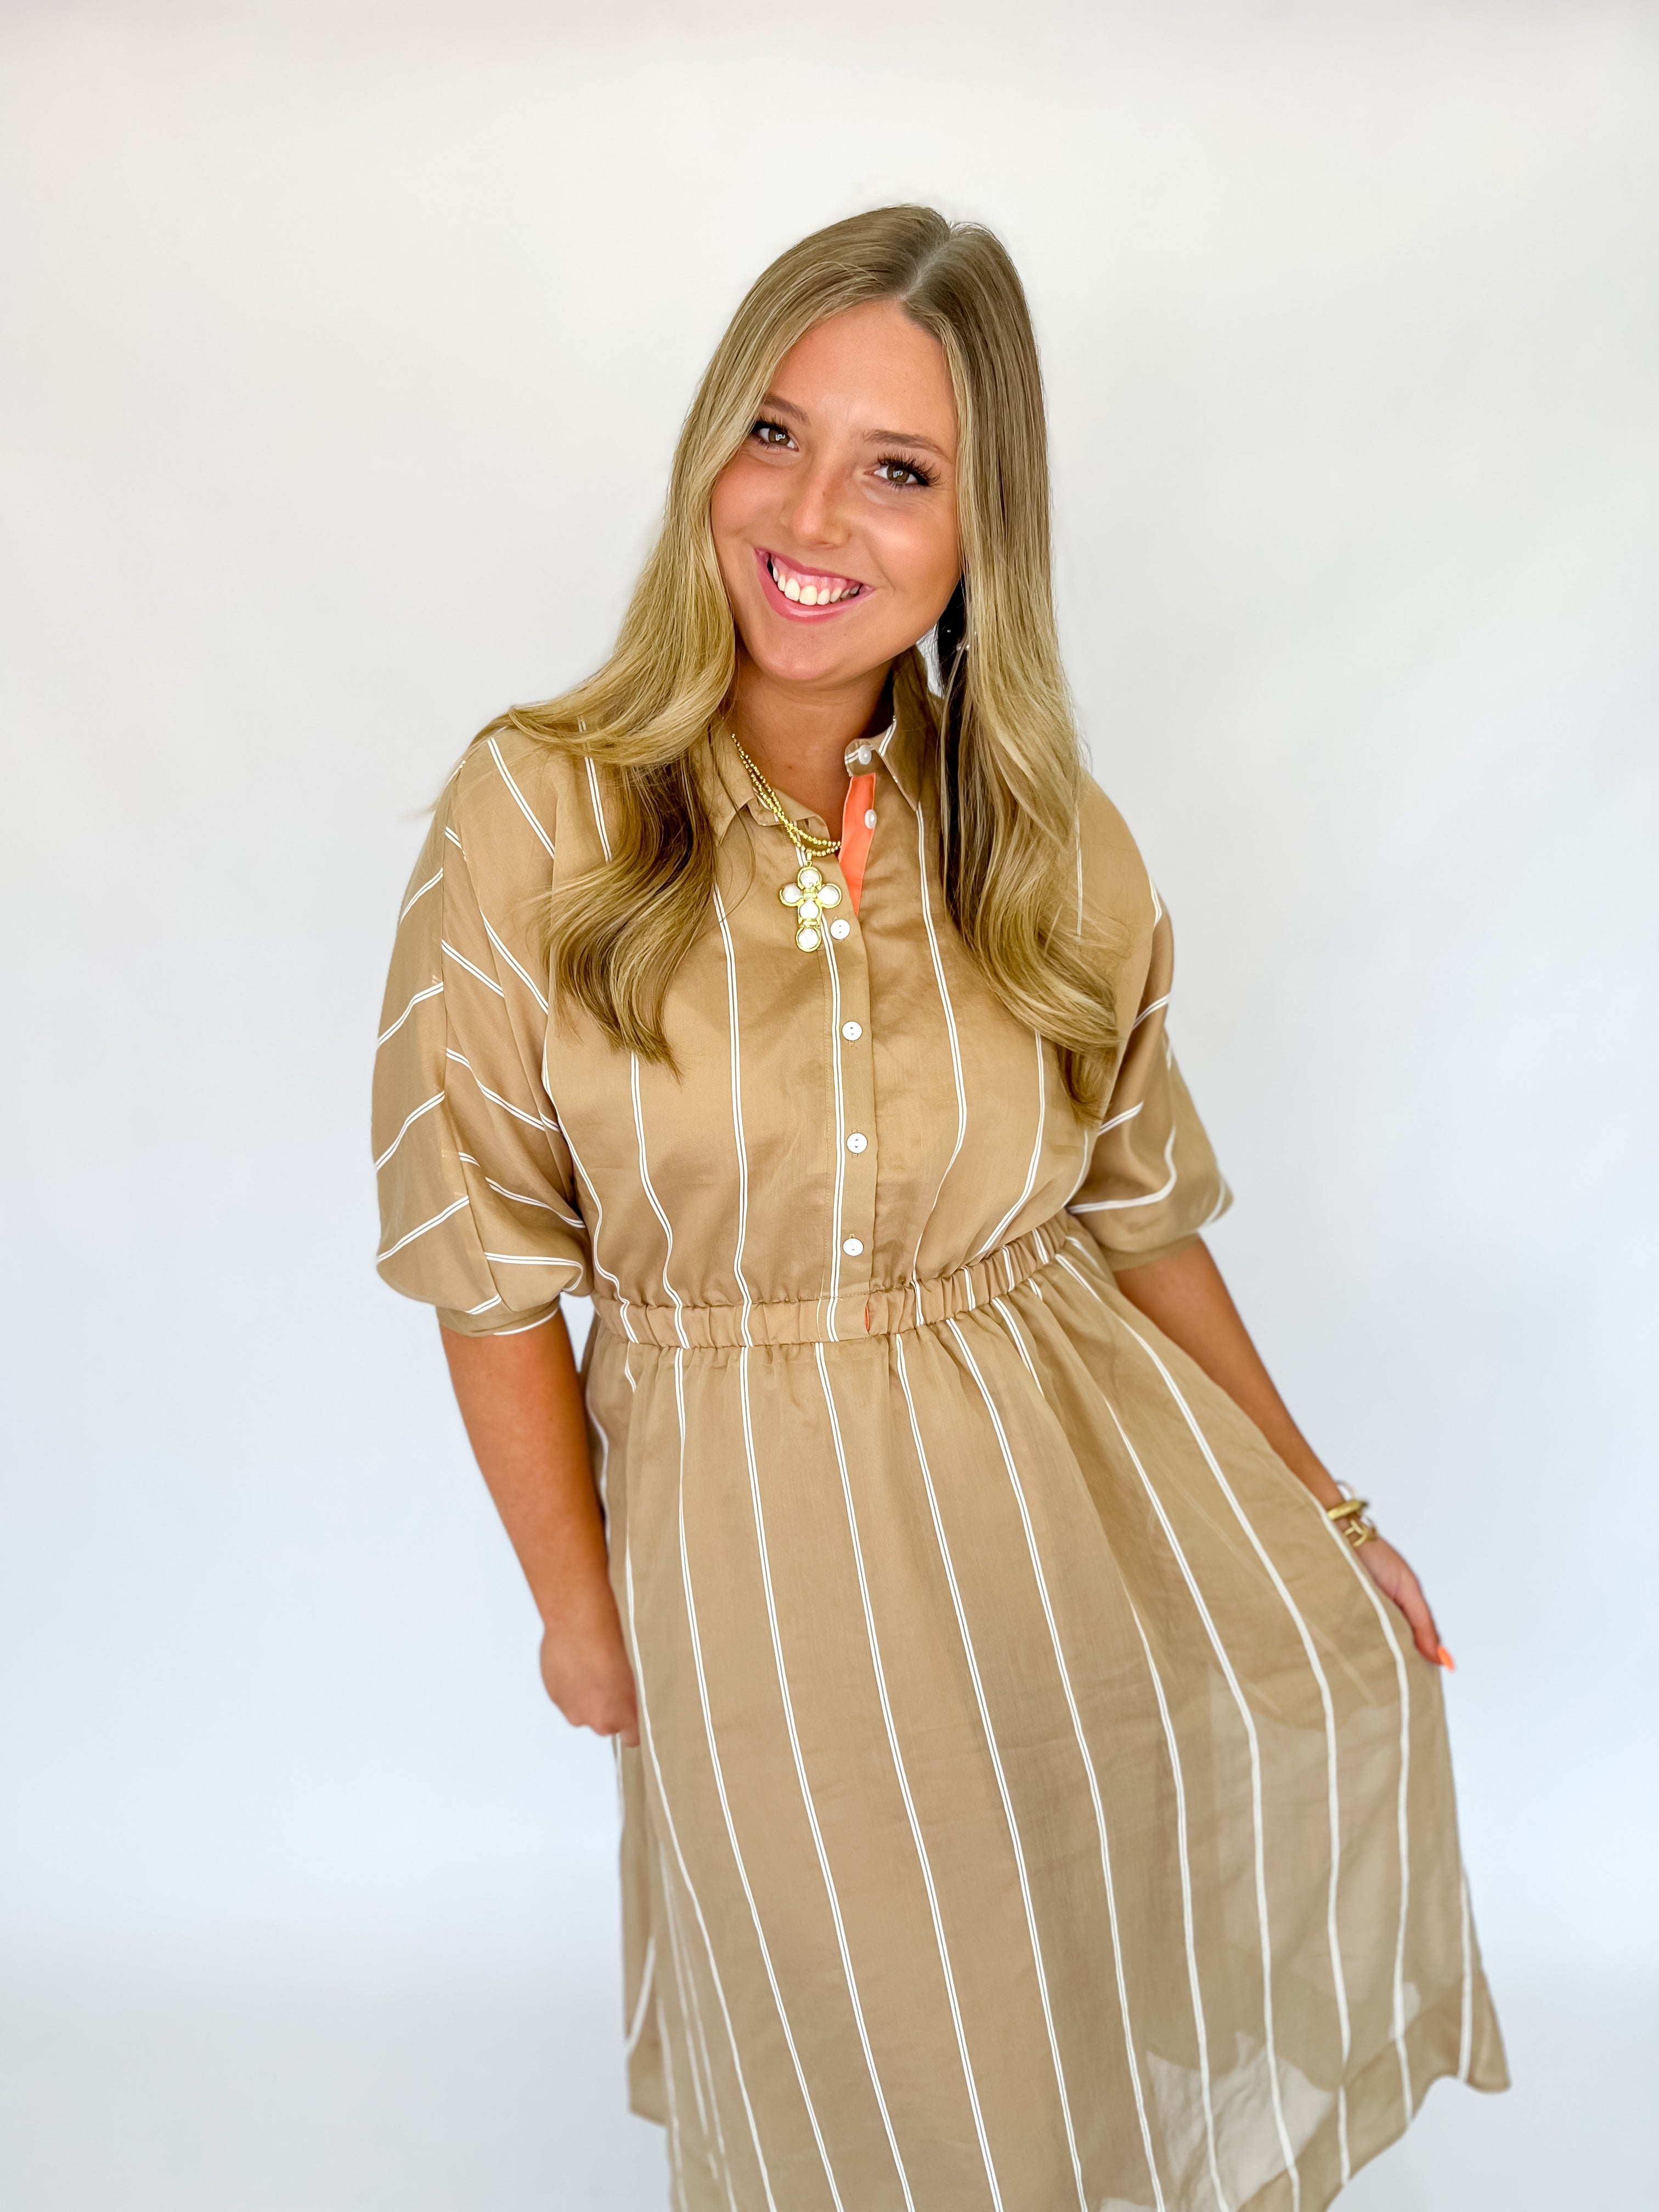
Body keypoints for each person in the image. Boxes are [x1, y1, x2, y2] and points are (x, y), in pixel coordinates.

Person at [372, 204, 1506, 2212]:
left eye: (900, 470)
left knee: (1048, 2070)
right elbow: (485, 1271)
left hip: (1050, 1551)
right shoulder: (536, 813)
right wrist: (579, 1614)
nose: (815, 513)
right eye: (775, 434)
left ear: (986, 533)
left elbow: (1141, 1221)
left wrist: (1324, 1510)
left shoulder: (1052, 846)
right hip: (748, 1577)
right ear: (708, 455)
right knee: (844, 2103)